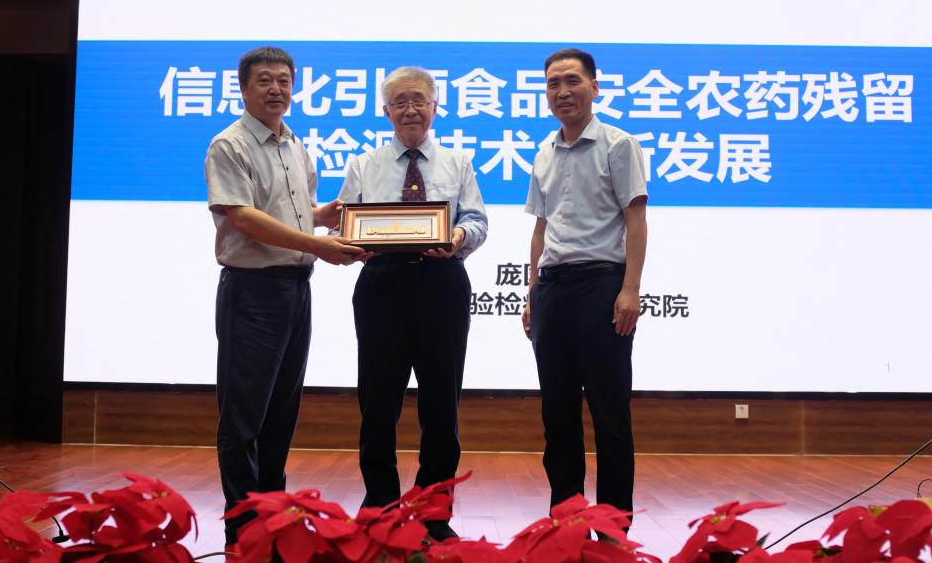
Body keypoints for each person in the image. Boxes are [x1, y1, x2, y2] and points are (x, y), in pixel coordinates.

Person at [205, 46, 366, 545]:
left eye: (284, 81)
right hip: (253, 291)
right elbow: (243, 216)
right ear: (243, 88)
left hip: (296, 289)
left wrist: (322, 216)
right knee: (244, 414)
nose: (276, 89)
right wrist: (317, 243)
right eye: (264, 81)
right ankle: (242, 524)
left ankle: (272, 514)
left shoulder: (295, 145)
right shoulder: (229, 145)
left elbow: (286, 211)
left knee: (281, 411)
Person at [337, 66, 488, 541]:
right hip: (381, 285)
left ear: (435, 107)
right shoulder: (363, 164)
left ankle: (433, 513)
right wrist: (353, 241)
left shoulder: (458, 163)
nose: (410, 110)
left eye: (419, 100)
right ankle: (379, 506)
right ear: (386, 111)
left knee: (442, 404)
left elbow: (478, 221)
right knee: (377, 403)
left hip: (442, 284)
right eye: (400, 102)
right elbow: (343, 223)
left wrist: (458, 236)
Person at [521, 48, 648, 521]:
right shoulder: (544, 152)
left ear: (595, 87)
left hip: (602, 286)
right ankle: (566, 519)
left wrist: (630, 289)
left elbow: (636, 220)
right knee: (557, 415)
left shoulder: (619, 144)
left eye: (572, 81)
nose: (562, 92)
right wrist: (532, 294)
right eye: (553, 84)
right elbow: (541, 228)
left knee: (609, 413)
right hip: (552, 290)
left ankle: (614, 526)